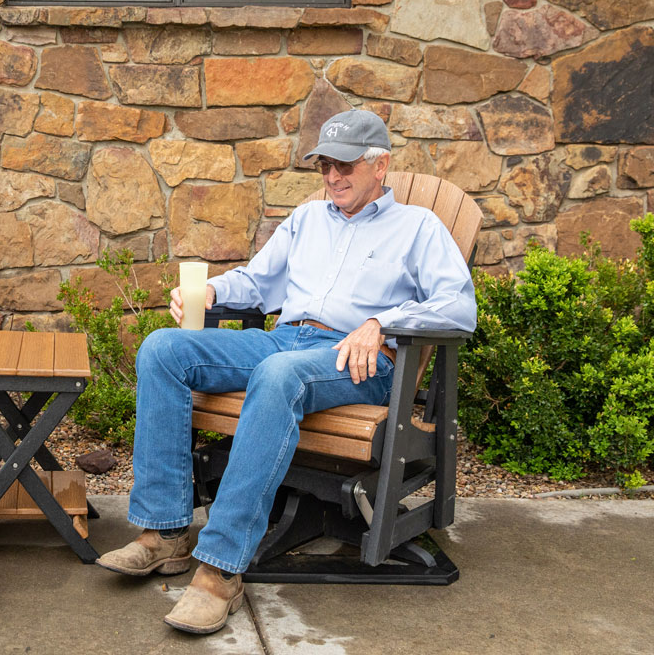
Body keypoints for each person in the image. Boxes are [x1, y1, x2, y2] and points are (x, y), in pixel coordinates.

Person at [95, 109, 476, 635]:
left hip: (360, 360)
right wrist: (211, 291)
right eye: (324, 166)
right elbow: (258, 282)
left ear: (380, 165)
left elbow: (458, 307)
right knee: (163, 349)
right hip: (284, 340)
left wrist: (380, 323)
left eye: (344, 165)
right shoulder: (307, 218)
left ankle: (221, 569)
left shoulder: (418, 228)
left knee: (278, 374)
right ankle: (165, 534)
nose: (332, 178)